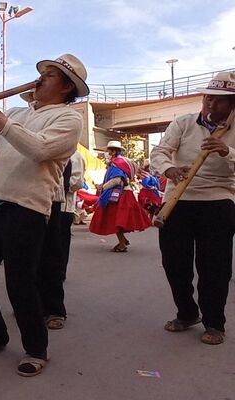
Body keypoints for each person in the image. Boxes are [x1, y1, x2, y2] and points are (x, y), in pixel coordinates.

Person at [0, 54, 89, 376]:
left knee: (20, 282)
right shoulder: (16, 112)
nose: (39, 79)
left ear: (66, 87)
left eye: (49, 76)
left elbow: (39, 150)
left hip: (27, 209)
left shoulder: (68, 119)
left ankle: (36, 348)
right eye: (42, 73)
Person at [150, 71, 235, 346]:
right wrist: (169, 169)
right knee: (174, 263)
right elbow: (159, 152)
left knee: (215, 266)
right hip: (178, 197)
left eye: (219, 100)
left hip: (219, 199)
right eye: (208, 97)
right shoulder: (184, 123)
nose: (210, 104)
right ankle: (187, 313)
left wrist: (227, 151)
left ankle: (214, 322)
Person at [38, 150, 85, 330]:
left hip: (61, 206)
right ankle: (34, 301)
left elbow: (76, 181)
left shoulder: (74, 155)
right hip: (32, 204)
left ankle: (54, 308)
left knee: (54, 254)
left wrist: (61, 185)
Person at [88, 141, 150, 251]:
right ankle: (123, 240)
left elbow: (117, 180)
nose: (107, 153)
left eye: (108, 151)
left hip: (120, 195)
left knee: (116, 219)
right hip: (125, 193)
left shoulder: (117, 163)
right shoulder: (121, 162)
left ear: (113, 151)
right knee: (118, 219)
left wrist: (103, 187)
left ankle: (122, 244)